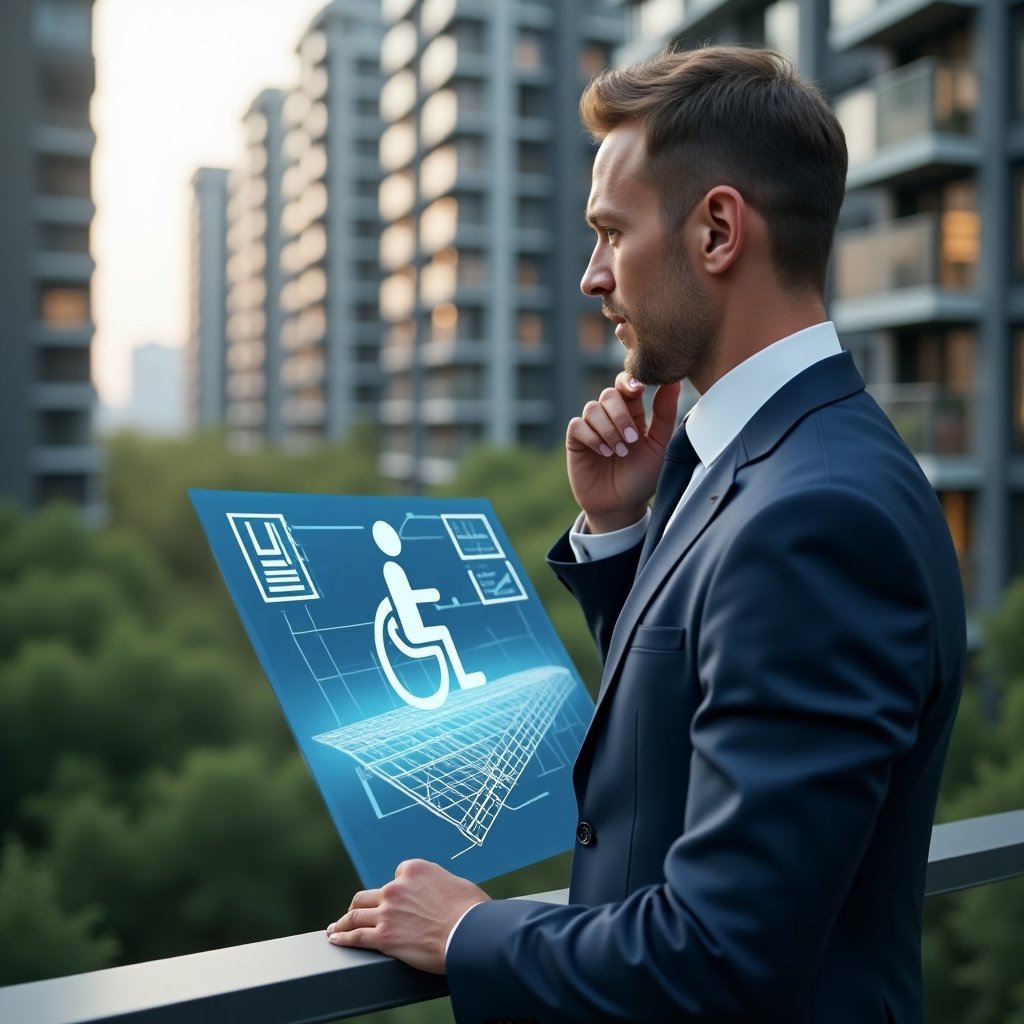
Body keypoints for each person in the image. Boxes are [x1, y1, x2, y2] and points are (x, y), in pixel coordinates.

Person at [326, 45, 966, 1023]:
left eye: (609, 233)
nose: (591, 277)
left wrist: (467, 931)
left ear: (717, 229)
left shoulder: (816, 514)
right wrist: (625, 531)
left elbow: (720, 955)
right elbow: (708, 705)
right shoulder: (775, 461)